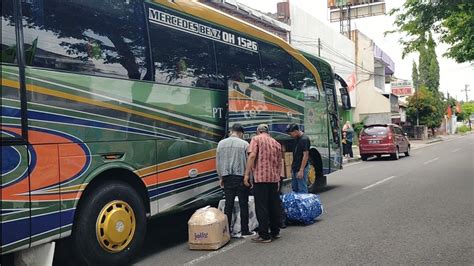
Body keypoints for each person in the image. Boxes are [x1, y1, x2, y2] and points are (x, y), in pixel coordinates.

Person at [244, 124, 282, 243]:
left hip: (260, 178)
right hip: (273, 179)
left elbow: (252, 156)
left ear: (258, 131)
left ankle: (264, 235)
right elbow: (279, 163)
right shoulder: (276, 143)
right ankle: (275, 231)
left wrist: (246, 174)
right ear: (267, 131)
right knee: (273, 205)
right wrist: (278, 179)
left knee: (261, 206)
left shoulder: (256, 139)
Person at [216, 123, 254, 237]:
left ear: (231, 132)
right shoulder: (244, 144)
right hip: (241, 177)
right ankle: (245, 230)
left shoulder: (221, 144)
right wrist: (250, 179)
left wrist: (221, 177)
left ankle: (226, 231)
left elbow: (217, 162)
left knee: (228, 205)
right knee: (243, 204)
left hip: (227, 177)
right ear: (241, 133)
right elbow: (249, 163)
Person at [286, 123, 310, 193]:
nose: (290, 135)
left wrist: (301, 170)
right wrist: (292, 166)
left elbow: (305, 155)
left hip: (301, 168)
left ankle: (303, 203)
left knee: (302, 189)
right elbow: (296, 154)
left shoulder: (304, 139)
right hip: (295, 167)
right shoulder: (296, 139)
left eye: (291, 133)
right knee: (295, 188)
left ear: (296, 131)